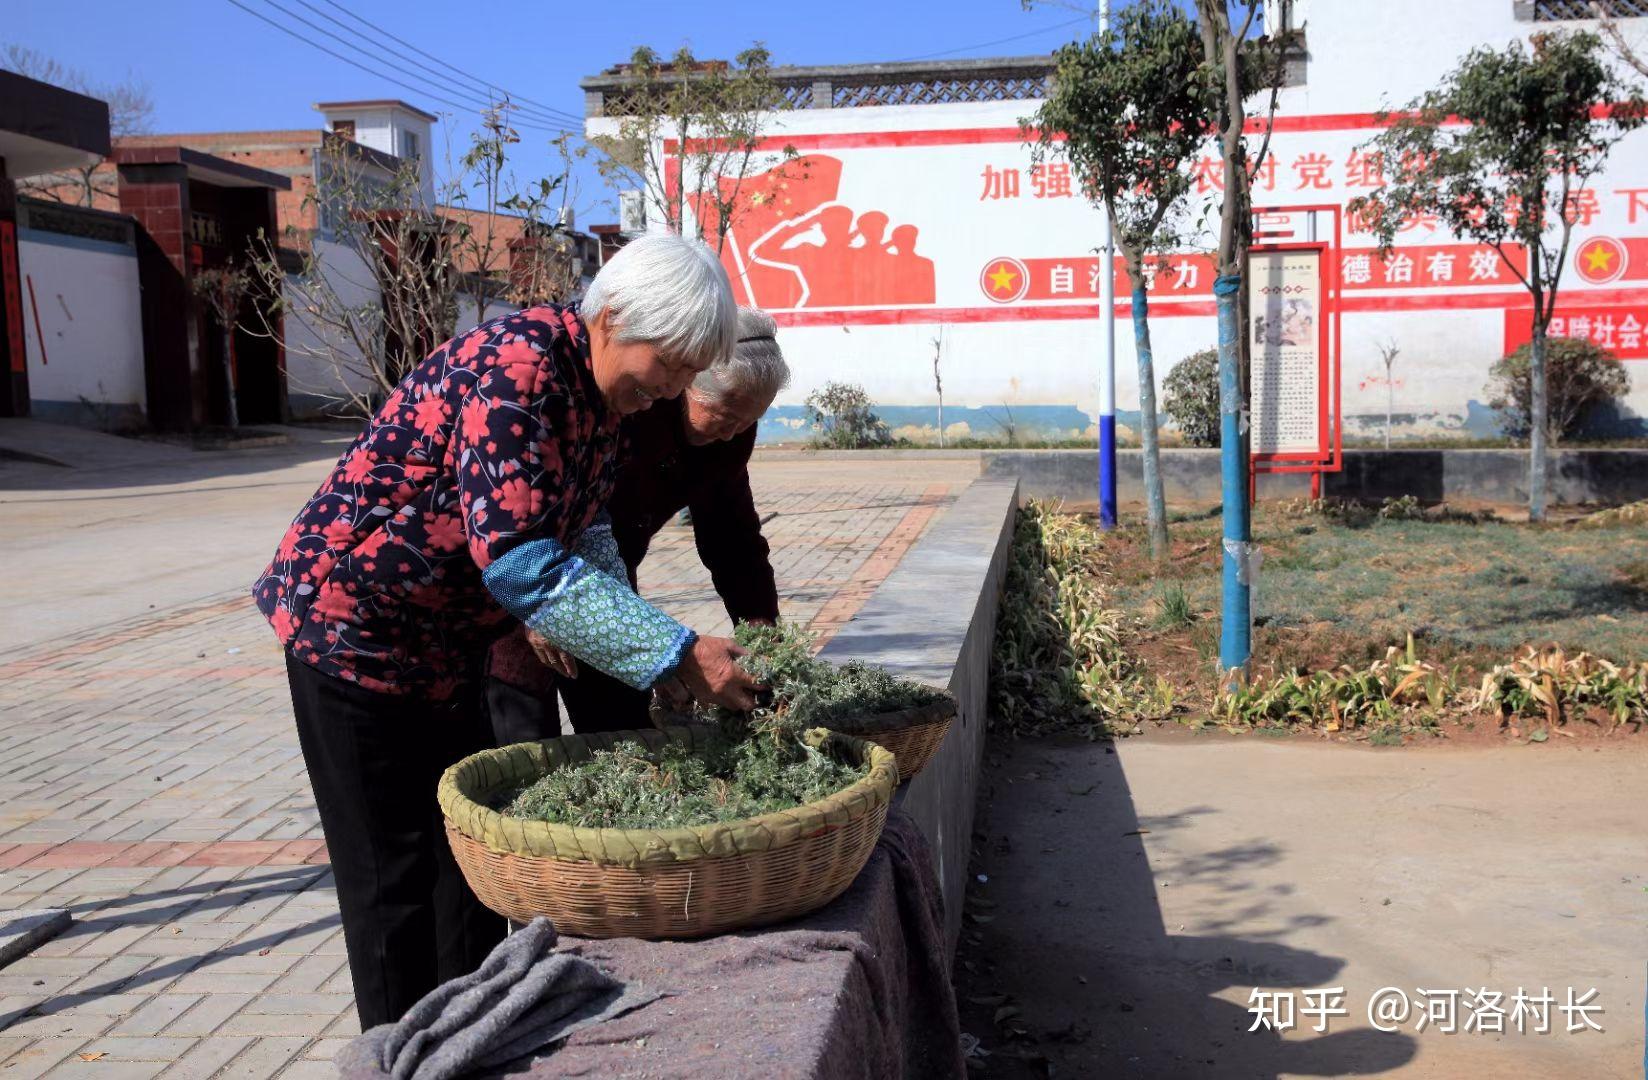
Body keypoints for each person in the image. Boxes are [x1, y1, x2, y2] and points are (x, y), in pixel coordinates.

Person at [252, 232, 761, 1029]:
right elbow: (522, 561)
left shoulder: (597, 400)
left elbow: (586, 529)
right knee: (394, 880)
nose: (673, 389)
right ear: (614, 318)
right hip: (355, 637)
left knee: (467, 861)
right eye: (671, 363)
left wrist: (652, 655)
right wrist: (674, 649)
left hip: (444, 649)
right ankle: (400, 1053)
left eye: (689, 373)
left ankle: (470, 1035)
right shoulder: (519, 372)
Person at [487, 307, 791, 742]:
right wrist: (534, 616)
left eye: (748, 422)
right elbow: (520, 532)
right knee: (525, 737)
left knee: (624, 727)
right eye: (724, 414)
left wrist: (763, 628)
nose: (733, 432)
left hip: (610, 584)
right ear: (686, 384)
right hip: (526, 577)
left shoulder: (728, 438)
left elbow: (733, 538)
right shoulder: (629, 408)